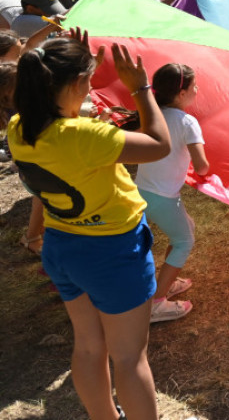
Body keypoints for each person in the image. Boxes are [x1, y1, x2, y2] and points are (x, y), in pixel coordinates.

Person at [10, 32, 172, 419]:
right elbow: (159, 144)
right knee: (129, 358)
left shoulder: (20, 127)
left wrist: (81, 68)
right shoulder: (87, 136)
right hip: (112, 253)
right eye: (86, 80)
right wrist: (141, 88)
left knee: (87, 346)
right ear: (74, 84)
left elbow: (63, 116)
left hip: (63, 248)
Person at [137, 63, 209, 323]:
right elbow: (201, 166)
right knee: (184, 240)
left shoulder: (152, 113)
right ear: (181, 94)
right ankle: (156, 303)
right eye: (193, 86)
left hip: (142, 189)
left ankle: (168, 279)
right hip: (163, 196)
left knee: (185, 227)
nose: (197, 89)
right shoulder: (187, 122)